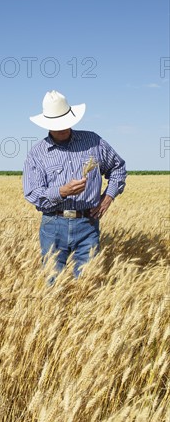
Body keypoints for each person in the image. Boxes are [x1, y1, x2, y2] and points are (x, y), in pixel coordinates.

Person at [22, 90, 127, 281]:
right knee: (52, 284)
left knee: (89, 285)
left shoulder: (93, 141)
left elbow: (118, 168)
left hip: (88, 224)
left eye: (65, 122)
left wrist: (108, 197)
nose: (62, 128)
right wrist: (62, 192)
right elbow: (32, 193)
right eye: (56, 124)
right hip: (53, 225)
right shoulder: (37, 153)